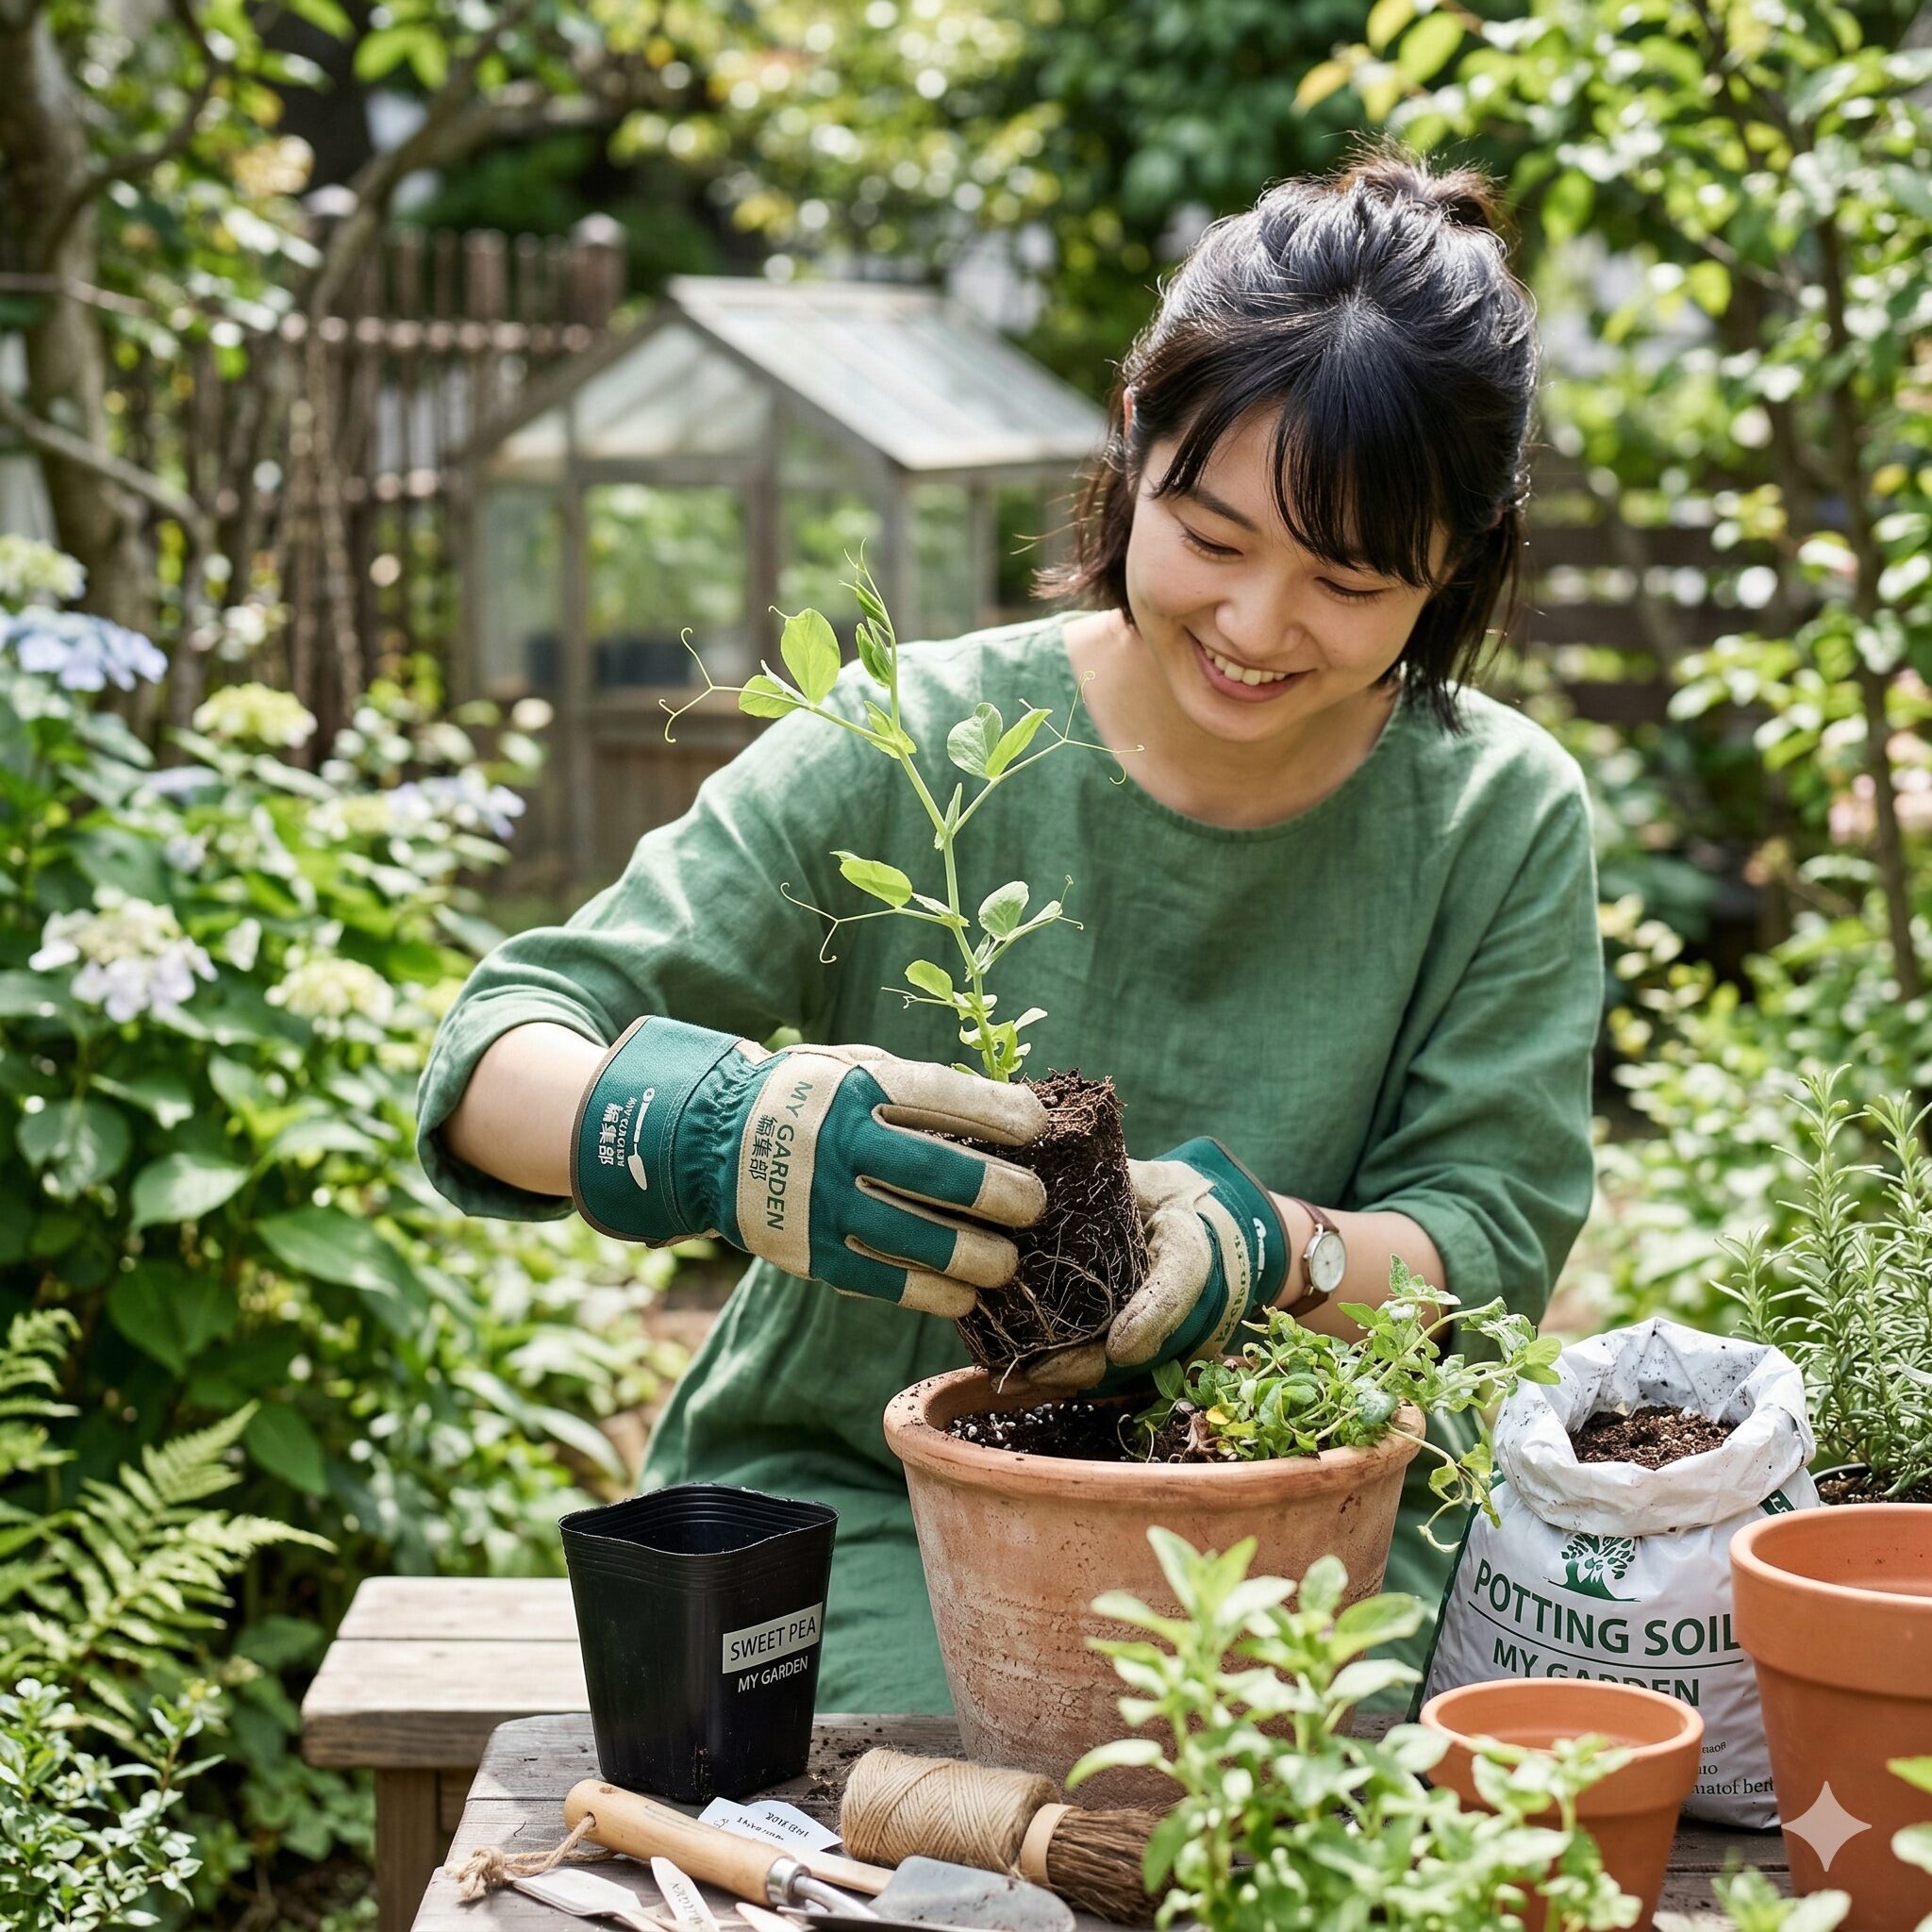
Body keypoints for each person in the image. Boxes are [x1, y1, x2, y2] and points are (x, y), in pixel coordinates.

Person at [418, 143, 1603, 1709]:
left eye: (1346, 579)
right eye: (1214, 536)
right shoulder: (916, 742)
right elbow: (494, 1059)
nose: (1256, 627)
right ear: (1136, 440)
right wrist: (735, 1137)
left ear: (1459, 564)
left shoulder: (1491, 816)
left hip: (1289, 1510)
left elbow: (1489, 1241)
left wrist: (1280, 1248)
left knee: (1245, 1799)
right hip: (865, 1503)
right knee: (990, 1774)